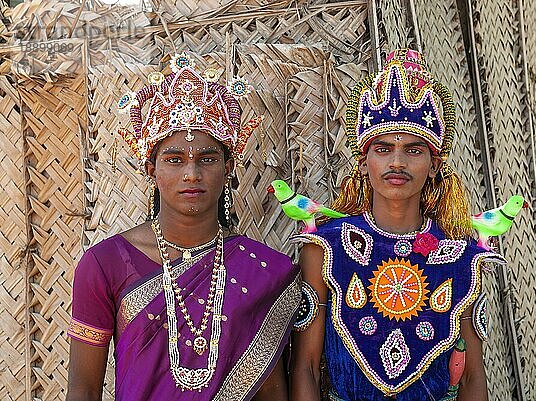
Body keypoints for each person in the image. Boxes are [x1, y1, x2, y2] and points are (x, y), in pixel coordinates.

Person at [66, 53, 301, 401]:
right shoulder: (104, 265)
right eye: (174, 160)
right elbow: (83, 390)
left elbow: (272, 392)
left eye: (207, 159)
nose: (192, 174)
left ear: (228, 167)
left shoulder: (264, 271)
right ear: (151, 169)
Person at [289, 49, 506, 401]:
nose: (397, 162)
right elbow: (305, 368)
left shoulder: (464, 256)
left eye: (414, 151)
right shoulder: (325, 249)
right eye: (384, 148)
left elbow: (472, 378)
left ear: (434, 165)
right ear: (363, 162)